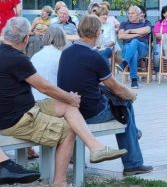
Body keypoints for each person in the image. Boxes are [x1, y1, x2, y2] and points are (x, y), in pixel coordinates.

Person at [0, 17, 127, 187]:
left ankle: (95, 148)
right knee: (68, 129)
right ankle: (59, 182)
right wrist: (69, 96)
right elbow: (44, 87)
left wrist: (68, 99)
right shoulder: (17, 59)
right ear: (26, 39)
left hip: (25, 109)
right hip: (18, 119)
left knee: (68, 105)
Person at [57, 15, 153, 176]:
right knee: (124, 108)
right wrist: (132, 95)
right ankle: (133, 162)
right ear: (97, 32)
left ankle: (134, 133)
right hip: (89, 112)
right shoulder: (95, 57)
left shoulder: (67, 52)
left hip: (69, 109)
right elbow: (117, 87)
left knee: (119, 100)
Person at [117, 6, 152, 89]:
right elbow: (120, 36)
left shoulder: (146, 23)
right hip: (127, 48)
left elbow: (146, 30)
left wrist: (130, 31)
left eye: (132, 13)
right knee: (134, 52)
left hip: (142, 48)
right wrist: (138, 34)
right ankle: (134, 81)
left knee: (135, 42)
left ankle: (124, 63)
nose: (130, 15)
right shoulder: (124, 24)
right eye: (129, 13)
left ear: (139, 14)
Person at [31, 26, 66, 100]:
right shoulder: (61, 57)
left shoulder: (35, 56)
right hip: (52, 100)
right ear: (62, 39)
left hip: (34, 100)